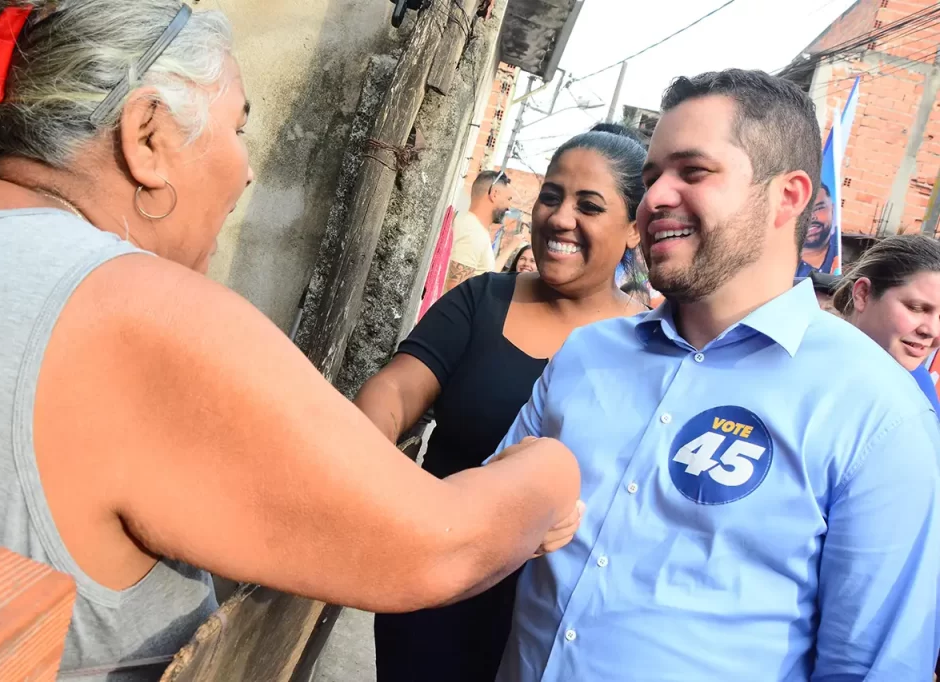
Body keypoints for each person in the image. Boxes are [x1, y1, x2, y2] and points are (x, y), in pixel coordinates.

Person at [0, 2, 583, 679]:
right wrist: (551, 474)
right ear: (147, 136)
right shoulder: (135, 308)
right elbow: (440, 548)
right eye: (239, 127)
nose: (248, 171)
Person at [492, 69, 940, 681]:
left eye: (692, 172)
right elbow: (489, 516)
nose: (654, 198)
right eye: (650, 179)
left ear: (787, 196)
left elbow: (871, 667)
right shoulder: (586, 355)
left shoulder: (876, 412)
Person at [355, 129, 649, 682]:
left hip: (562, 627)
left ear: (634, 227)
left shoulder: (652, 348)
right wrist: (363, 464)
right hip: (437, 593)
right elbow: (395, 391)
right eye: (551, 197)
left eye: (589, 206)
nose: (561, 218)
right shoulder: (482, 300)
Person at [833, 234, 940, 414]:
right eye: (916, 308)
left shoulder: (922, 389)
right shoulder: (801, 362)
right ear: (863, 294)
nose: (931, 330)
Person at [447, 170, 512, 291]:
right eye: (508, 198)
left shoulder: (473, 227)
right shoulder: (473, 232)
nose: (509, 206)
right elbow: (454, 290)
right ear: (494, 194)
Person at [797, 184, 839, 276]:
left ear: (832, 209)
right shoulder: (777, 265)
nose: (811, 217)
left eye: (819, 208)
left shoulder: (843, 256)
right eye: (802, 212)